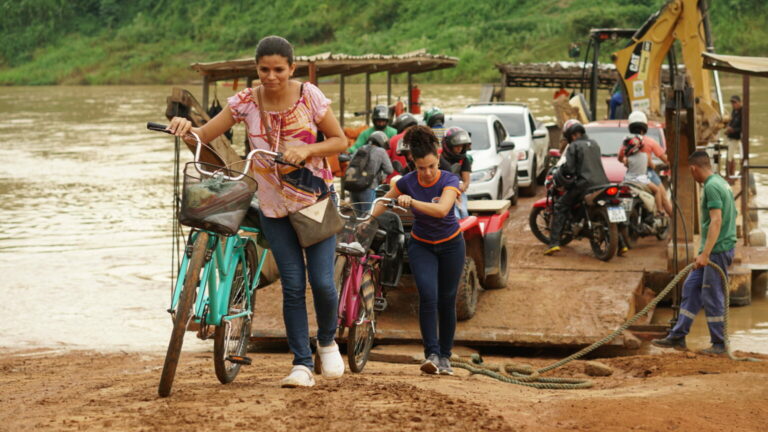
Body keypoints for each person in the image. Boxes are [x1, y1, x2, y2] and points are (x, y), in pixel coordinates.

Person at [167, 35, 347, 388]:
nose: (271, 76)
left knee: (323, 283)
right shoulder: (246, 101)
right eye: (264, 69)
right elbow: (204, 135)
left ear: (292, 68)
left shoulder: (309, 96)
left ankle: (327, 341)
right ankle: (301, 364)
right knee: (292, 285)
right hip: (272, 207)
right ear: (257, 69)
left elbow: (339, 140)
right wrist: (186, 128)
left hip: (313, 203)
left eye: (279, 69)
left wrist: (307, 151)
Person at [371, 125, 464, 376]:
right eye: (422, 168)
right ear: (413, 163)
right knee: (428, 296)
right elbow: (384, 201)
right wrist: (367, 219)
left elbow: (442, 210)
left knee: (447, 300)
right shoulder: (407, 181)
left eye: (432, 166)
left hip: (452, 245)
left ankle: (445, 356)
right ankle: (431, 354)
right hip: (421, 245)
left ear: (438, 160)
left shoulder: (449, 180)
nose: (427, 172)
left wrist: (411, 202)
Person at [651, 151, 737, 355]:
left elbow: (716, 221)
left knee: (711, 294)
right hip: (714, 249)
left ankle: (719, 343)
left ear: (693, 169)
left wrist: (705, 254)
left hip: (717, 250)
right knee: (690, 287)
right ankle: (678, 336)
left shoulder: (711, 187)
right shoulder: (720, 182)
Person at [545, 119, 609, 256]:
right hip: (602, 183)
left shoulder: (574, 146)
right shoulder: (594, 143)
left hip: (584, 185)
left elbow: (569, 168)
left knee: (560, 206)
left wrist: (561, 172)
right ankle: (622, 245)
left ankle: (554, 243)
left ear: (572, 135)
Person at [618, 111, 673, 216]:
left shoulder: (627, 142)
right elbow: (665, 159)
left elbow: (620, 157)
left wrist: (626, 161)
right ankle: (666, 216)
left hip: (631, 173)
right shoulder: (650, 142)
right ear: (644, 128)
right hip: (648, 174)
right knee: (664, 199)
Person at [621, 135, 667, 217]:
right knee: (657, 191)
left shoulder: (627, 158)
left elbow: (626, 165)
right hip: (642, 180)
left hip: (628, 180)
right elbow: (653, 166)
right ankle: (660, 211)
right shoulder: (646, 156)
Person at [347, 130, 394, 213]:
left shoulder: (360, 148)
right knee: (368, 215)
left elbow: (350, 163)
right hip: (368, 186)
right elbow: (389, 170)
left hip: (353, 186)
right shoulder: (381, 151)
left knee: (358, 215)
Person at [440, 127, 473, 219]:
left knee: (463, 213)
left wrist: (462, 186)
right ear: (448, 145)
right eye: (456, 146)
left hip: (458, 193)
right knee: (453, 215)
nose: (459, 148)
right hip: (441, 193)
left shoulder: (464, 160)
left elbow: (466, 182)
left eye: (461, 146)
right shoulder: (439, 159)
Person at [725, 95, 742, 177]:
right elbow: (731, 122)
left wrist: (733, 130)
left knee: (732, 156)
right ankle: (731, 174)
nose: (733, 104)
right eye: (732, 103)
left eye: (735, 102)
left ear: (740, 102)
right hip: (731, 137)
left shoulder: (742, 112)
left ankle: (730, 175)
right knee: (730, 156)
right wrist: (728, 128)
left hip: (737, 138)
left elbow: (743, 127)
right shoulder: (734, 111)